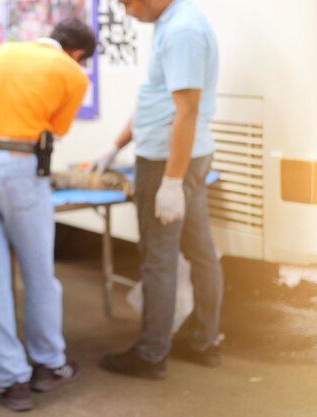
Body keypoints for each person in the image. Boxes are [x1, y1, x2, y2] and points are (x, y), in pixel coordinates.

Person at [0, 18, 96, 412]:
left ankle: (12, 379)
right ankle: (49, 364)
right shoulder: (72, 73)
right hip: (22, 170)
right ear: (78, 54)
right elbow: (55, 130)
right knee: (39, 273)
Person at [93, 0, 223, 380]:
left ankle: (151, 353)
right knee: (201, 250)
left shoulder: (181, 30)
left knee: (159, 255)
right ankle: (204, 340)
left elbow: (186, 110)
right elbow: (156, 98)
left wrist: (170, 181)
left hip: (168, 161)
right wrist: (115, 145)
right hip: (188, 156)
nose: (128, 13)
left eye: (128, 3)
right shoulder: (176, 22)